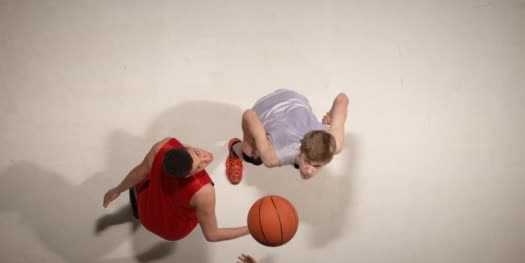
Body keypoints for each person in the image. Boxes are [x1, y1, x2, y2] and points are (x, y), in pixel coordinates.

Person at [103, 137, 249, 242]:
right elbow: (212, 235)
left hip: (145, 211)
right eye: (199, 167)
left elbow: (138, 173)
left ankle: (135, 210)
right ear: (186, 176)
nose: (206, 158)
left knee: (145, 175)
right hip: (171, 230)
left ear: (183, 146)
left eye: (197, 153)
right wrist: (251, 229)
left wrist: (117, 190)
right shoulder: (204, 191)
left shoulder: (162, 147)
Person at [226, 89, 349, 183]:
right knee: (253, 157)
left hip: (295, 97)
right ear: (300, 152)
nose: (309, 170)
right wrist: (249, 144)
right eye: (307, 161)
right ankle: (234, 148)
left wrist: (331, 116)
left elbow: (342, 98)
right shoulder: (271, 156)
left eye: (317, 166)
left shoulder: (334, 144)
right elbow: (249, 115)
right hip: (265, 106)